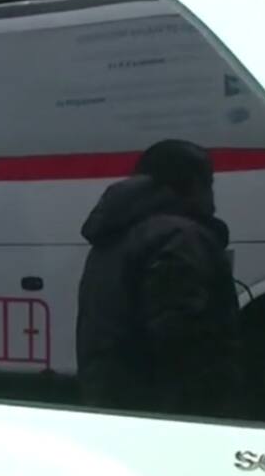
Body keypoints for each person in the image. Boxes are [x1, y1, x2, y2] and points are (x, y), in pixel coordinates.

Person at [77, 139, 244, 418]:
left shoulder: (118, 231)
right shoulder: (179, 238)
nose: (213, 200)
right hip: (164, 410)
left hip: (113, 398)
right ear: (192, 184)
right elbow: (182, 337)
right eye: (209, 184)